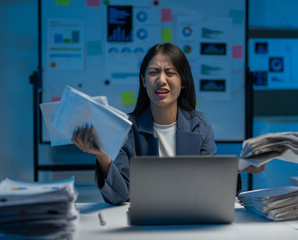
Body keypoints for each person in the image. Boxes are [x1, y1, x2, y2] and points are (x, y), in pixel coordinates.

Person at [72, 43, 265, 205]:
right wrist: (102, 155)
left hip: (188, 223)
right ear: (143, 81)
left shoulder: (200, 128)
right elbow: (120, 196)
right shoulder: (124, 129)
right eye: (153, 72)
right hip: (141, 227)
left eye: (170, 72)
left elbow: (209, 189)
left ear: (183, 82)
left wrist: (239, 167)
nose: (161, 80)